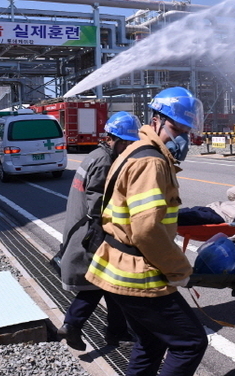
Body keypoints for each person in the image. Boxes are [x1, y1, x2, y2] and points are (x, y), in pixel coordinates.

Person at [85, 87, 208, 376]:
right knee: (190, 342)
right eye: (179, 128)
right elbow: (147, 231)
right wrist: (180, 270)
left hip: (118, 266)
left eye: (187, 130)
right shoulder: (151, 161)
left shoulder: (136, 151)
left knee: (150, 342)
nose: (183, 138)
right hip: (138, 272)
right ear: (157, 120)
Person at [57, 111, 141, 351]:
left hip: (83, 231)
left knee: (110, 284)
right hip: (91, 235)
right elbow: (97, 205)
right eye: (129, 144)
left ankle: (116, 331)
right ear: (121, 140)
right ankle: (73, 324)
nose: (129, 150)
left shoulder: (95, 154)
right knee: (98, 284)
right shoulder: (105, 161)